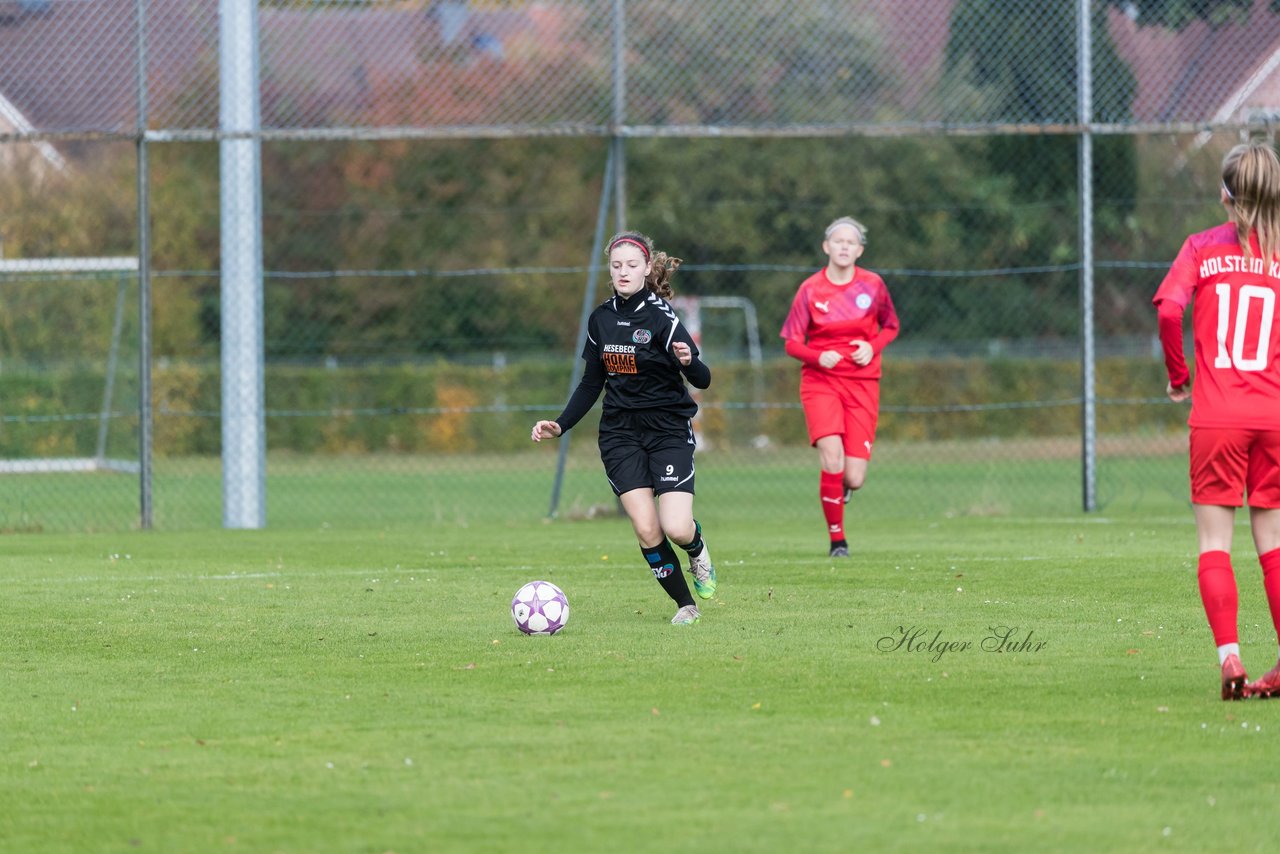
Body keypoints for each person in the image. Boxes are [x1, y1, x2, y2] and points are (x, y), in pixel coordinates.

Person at [532, 230, 716, 625]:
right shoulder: (601, 319)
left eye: (632, 265)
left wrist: (687, 361)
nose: (623, 272)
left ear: (647, 268)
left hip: (667, 430)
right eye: (616, 266)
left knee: (676, 527)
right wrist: (560, 425)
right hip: (620, 434)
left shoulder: (662, 318)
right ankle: (686, 606)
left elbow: (702, 379)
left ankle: (698, 550)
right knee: (647, 528)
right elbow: (591, 382)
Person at [1154, 140, 1280, 700]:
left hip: (1218, 416)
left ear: (1226, 194)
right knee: (1273, 542)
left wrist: (1179, 377)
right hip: (1274, 416)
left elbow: (1168, 308)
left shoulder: (1203, 247)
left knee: (1214, 544)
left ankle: (1230, 658)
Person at [780, 216, 900, 558]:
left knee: (854, 477)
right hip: (820, 383)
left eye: (851, 242)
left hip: (862, 383)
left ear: (859, 250)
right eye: (838, 240)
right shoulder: (810, 289)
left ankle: (842, 488)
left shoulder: (873, 285)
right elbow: (791, 342)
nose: (844, 246)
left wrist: (872, 346)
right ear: (826, 247)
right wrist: (819, 356)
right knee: (831, 459)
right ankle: (838, 542)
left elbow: (891, 326)